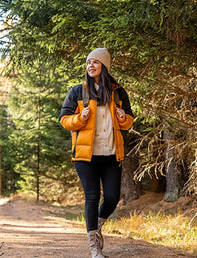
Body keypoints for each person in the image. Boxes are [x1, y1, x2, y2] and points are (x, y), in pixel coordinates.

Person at [59, 48, 134, 258]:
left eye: (95, 62)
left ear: (105, 66)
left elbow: (129, 121)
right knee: (91, 197)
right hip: (86, 157)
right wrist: (80, 119)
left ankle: (97, 224)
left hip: (111, 154)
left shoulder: (118, 92)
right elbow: (64, 120)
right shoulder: (77, 92)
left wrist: (122, 117)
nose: (90, 66)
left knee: (112, 197)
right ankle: (94, 248)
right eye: (88, 62)